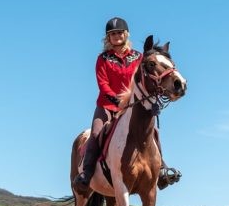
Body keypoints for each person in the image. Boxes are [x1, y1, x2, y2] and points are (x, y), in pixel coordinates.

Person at [73, 16, 181, 191]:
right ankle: (86, 173)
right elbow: (103, 83)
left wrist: (152, 98)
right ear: (108, 38)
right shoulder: (103, 58)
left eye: (119, 33)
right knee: (96, 133)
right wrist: (114, 98)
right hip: (107, 106)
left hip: (132, 106)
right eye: (112, 34)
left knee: (153, 131)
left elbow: (145, 80)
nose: (116, 36)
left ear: (126, 34)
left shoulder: (139, 57)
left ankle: (161, 170)